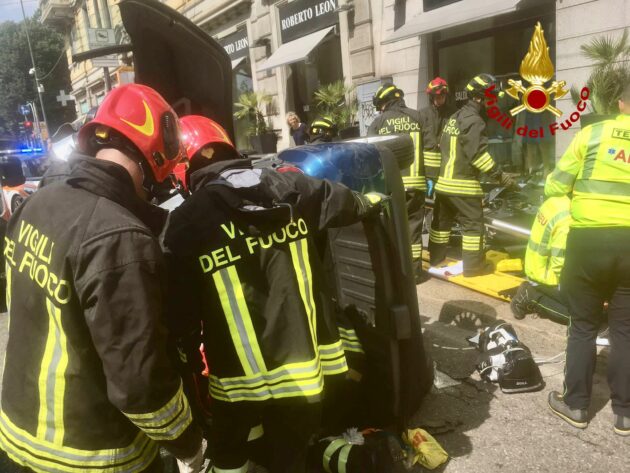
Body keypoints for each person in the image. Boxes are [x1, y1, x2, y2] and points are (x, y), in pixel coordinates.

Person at [0, 84, 203, 472]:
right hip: (92, 455)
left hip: (16, 439)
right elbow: (141, 385)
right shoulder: (120, 238)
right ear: (156, 153)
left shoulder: (38, 203)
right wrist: (187, 441)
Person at [164, 115, 383, 472]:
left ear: (185, 171)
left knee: (231, 453)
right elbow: (346, 202)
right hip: (304, 374)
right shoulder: (290, 186)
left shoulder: (186, 222)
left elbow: (180, 313)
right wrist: (375, 201)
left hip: (237, 383)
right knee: (290, 453)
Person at [545, 84, 630, 436]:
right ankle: (625, 414)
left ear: (620, 104)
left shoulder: (592, 134)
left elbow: (556, 185)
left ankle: (576, 405)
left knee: (583, 325)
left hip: (589, 240)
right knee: (625, 329)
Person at [428, 73, 515, 277]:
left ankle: (436, 259)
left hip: (444, 186)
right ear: (480, 97)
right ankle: (474, 268)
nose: (494, 102)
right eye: (492, 97)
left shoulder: (454, 117)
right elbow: (478, 156)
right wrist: (500, 176)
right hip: (463, 186)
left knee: (441, 225)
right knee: (473, 227)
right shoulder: (475, 121)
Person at [368, 83, 425, 281]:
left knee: (392, 227)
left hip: (391, 186)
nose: (380, 110)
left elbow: (371, 155)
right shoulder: (417, 117)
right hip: (416, 184)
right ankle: (414, 273)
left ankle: (397, 271)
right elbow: (430, 149)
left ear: (384, 102)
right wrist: (431, 178)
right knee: (413, 228)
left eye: (380, 106)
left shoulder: (379, 122)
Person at [510, 195, 572, 323]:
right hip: (549, 277)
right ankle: (531, 296)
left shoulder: (555, 200)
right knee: (584, 317)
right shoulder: (568, 217)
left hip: (536, 268)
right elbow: (560, 263)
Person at [419, 77, 453, 190]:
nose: (440, 99)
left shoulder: (453, 114)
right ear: (432, 96)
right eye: (438, 96)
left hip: (447, 167)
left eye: (443, 96)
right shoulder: (422, 115)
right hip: (428, 171)